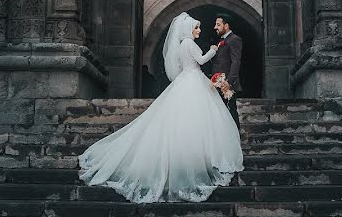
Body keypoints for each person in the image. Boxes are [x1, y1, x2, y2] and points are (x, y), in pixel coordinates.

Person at [78, 12, 244, 203]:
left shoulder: (181, 45)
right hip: (193, 80)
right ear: (189, 30)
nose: (200, 29)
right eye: (196, 27)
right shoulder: (189, 43)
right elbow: (200, 61)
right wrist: (213, 50)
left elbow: (182, 66)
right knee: (197, 117)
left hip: (186, 79)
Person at [210, 14, 243, 128]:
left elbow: (236, 62)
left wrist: (228, 82)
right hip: (219, 83)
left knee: (231, 111)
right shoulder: (222, 40)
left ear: (226, 26)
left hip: (227, 84)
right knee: (223, 113)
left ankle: (236, 139)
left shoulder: (234, 39)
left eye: (218, 24)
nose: (215, 27)